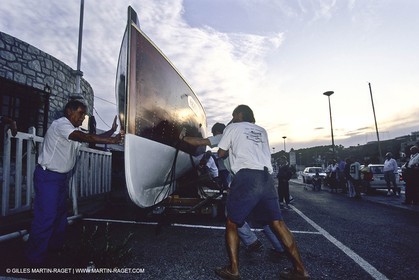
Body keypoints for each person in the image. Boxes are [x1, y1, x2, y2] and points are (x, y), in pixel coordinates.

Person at [215, 105, 309, 280]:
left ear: (239, 114)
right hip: (266, 178)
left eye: (234, 115)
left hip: (246, 177)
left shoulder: (232, 128)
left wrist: (228, 134)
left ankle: (233, 270)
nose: (232, 118)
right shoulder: (261, 130)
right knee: (278, 223)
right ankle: (300, 270)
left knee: (232, 223)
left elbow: (221, 153)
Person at [25, 100, 124, 265]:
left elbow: (90, 138)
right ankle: (34, 259)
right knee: (46, 218)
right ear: (69, 111)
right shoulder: (61, 125)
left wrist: (112, 132)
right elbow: (84, 137)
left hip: (61, 179)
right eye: (80, 113)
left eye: (84, 115)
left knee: (60, 217)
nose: (83, 117)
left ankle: (54, 250)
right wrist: (112, 141)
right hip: (48, 177)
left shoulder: (74, 129)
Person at [181, 123, 285, 254]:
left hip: (244, 180)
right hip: (262, 178)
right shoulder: (246, 138)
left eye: (214, 134)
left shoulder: (224, 136)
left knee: (232, 215)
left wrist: (181, 137)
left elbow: (200, 142)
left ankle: (251, 242)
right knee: (266, 218)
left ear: (217, 132)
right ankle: (280, 247)